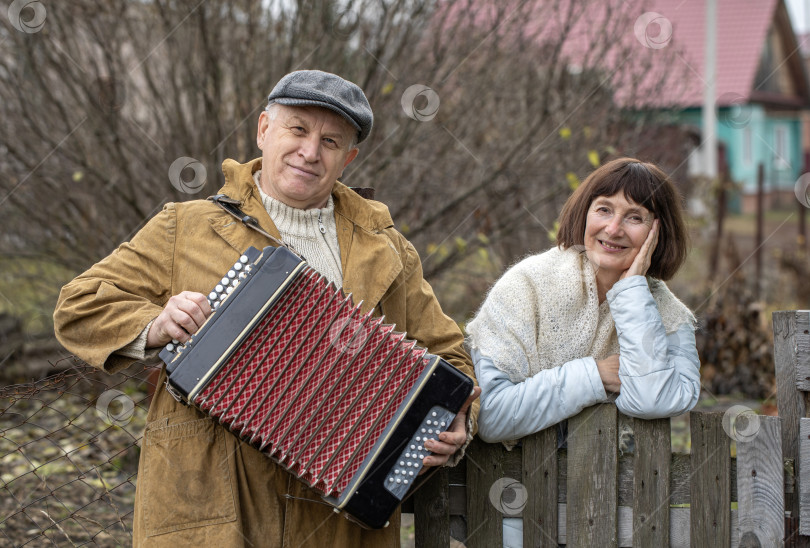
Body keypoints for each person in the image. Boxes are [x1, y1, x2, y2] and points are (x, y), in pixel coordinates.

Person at [54, 70, 479, 547]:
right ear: (263, 130)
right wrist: (153, 325)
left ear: (348, 158)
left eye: (331, 141)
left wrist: (458, 418)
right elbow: (79, 305)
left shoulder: (389, 250)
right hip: (213, 507)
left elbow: (453, 359)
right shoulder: (187, 226)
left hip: (338, 520)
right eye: (297, 129)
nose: (310, 151)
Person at [465, 158, 699, 546]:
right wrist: (596, 375)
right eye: (604, 209)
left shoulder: (669, 316)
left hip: (619, 508)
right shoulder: (526, 286)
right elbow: (492, 414)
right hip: (517, 508)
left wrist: (631, 292)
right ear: (584, 213)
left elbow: (653, 398)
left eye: (635, 217)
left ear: (659, 232)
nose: (613, 228)